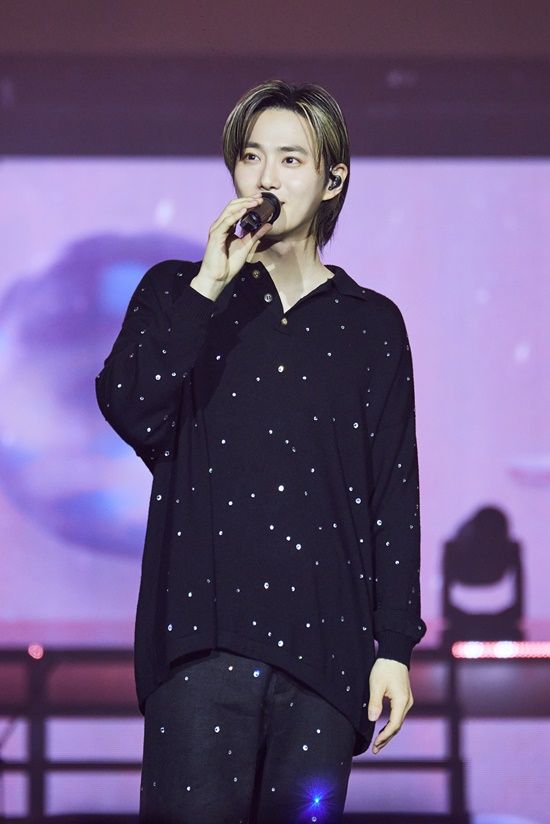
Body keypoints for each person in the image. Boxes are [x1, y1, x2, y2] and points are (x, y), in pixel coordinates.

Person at [95, 79, 427, 823]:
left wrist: (394, 647)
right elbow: (129, 404)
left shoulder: (370, 325)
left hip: (327, 657)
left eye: (291, 159)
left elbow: (392, 493)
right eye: (251, 157)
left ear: (332, 179)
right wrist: (210, 284)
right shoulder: (179, 292)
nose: (267, 177)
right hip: (202, 644)